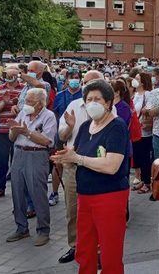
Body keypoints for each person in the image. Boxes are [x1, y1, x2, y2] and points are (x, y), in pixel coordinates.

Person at [52, 79, 131, 274]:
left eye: (97, 99)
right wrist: (65, 158)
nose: (92, 103)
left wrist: (77, 158)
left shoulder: (117, 127)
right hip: (85, 196)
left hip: (109, 197)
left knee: (109, 251)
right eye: (88, 99)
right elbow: (76, 155)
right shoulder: (86, 125)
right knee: (85, 248)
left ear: (108, 102)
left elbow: (112, 166)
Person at [57, 70, 106, 264]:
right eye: (86, 83)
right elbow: (61, 136)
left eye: (95, 83)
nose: (89, 86)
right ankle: (75, 246)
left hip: (97, 167)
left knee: (97, 211)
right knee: (73, 209)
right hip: (73, 166)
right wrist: (70, 126)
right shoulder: (73, 105)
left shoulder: (109, 109)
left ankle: (99, 249)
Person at [6, 88, 57, 247]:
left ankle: (43, 230)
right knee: (17, 191)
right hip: (19, 153)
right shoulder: (23, 113)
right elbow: (12, 137)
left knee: (38, 193)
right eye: (26, 100)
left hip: (37, 155)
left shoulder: (49, 116)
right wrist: (14, 130)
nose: (26, 104)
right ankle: (21, 228)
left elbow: (46, 141)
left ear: (40, 103)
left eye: (30, 101)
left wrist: (27, 132)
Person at [0, 66, 24, 200]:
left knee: (16, 161)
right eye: (7, 75)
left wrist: (16, 104)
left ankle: (18, 188)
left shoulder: (23, 89)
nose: (9, 78)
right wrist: (4, 102)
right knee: (2, 160)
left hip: (17, 129)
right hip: (3, 129)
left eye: (12, 75)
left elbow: (26, 109)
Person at [49, 69, 82, 206]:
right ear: (67, 80)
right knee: (58, 163)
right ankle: (55, 192)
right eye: (72, 78)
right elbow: (55, 113)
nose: (74, 80)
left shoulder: (83, 95)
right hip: (62, 133)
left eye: (77, 78)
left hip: (78, 135)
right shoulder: (60, 95)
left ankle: (77, 192)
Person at [131, 72, 154, 194]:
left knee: (145, 157)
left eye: (137, 78)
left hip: (144, 131)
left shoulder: (148, 94)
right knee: (138, 157)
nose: (135, 80)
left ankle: (147, 182)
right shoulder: (135, 95)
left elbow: (149, 110)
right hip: (135, 130)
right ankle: (142, 179)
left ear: (143, 82)